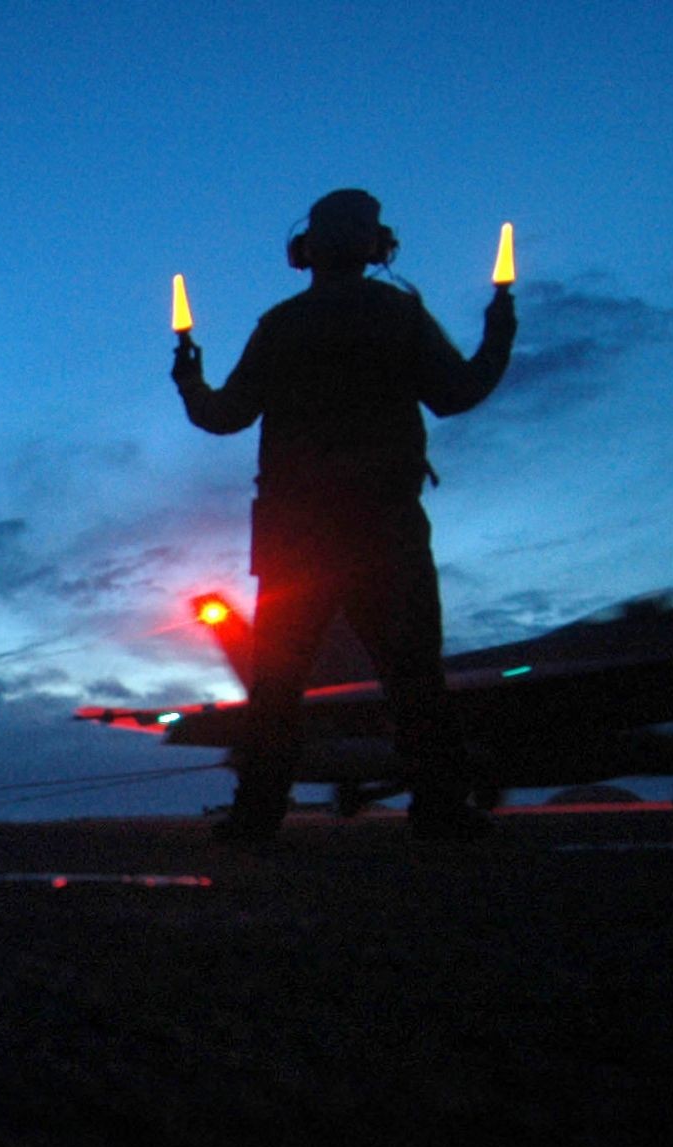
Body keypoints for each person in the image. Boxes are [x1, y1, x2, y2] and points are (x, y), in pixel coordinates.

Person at [171, 188, 515, 845]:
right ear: (375, 247)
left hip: (294, 536)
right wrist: (500, 330)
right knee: (414, 677)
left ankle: (257, 813)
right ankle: (440, 808)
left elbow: (224, 416)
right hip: (384, 527)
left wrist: (189, 375)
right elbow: (458, 392)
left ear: (307, 253)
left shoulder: (280, 325)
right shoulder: (398, 314)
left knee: (277, 684)